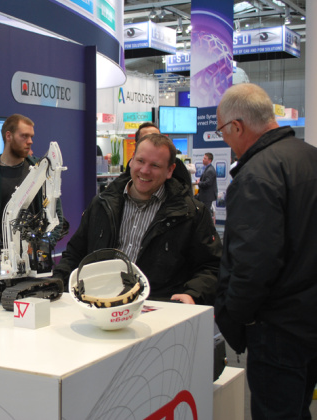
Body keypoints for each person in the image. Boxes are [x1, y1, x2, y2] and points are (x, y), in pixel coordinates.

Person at [213, 83, 317, 419]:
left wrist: (236, 315)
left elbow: (253, 263)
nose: (226, 141)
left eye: (223, 131)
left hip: (276, 330)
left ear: (237, 126)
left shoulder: (257, 174)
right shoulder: (310, 156)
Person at [53, 133, 221, 304]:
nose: (145, 170)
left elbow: (211, 266)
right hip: (100, 304)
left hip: (159, 307)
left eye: (155, 165)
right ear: (132, 160)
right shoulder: (102, 204)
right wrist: (57, 283)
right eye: (140, 161)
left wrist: (193, 294)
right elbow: (75, 253)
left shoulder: (190, 213)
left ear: (170, 170)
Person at [0, 114, 65, 243]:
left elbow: (56, 218)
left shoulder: (41, 172)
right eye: (24, 136)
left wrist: (42, 247)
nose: (30, 141)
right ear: (9, 136)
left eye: (31, 136)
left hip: (34, 253)